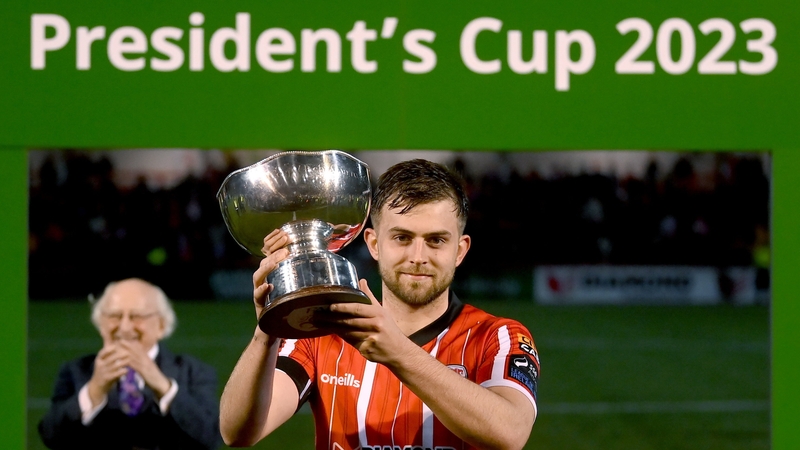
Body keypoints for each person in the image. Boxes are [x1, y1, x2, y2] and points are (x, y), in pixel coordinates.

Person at [220, 159, 539, 450]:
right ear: (373, 243)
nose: (418, 257)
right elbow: (238, 433)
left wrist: (397, 351)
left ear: (460, 249)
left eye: (436, 240)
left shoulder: (498, 336)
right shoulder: (324, 335)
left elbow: (510, 432)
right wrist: (268, 330)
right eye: (402, 238)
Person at [38, 278, 222, 450]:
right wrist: (93, 392)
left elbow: (211, 438)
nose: (124, 327)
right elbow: (51, 436)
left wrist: (164, 387)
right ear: (101, 324)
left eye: (137, 316)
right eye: (114, 316)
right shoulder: (76, 371)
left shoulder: (193, 372)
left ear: (161, 325)